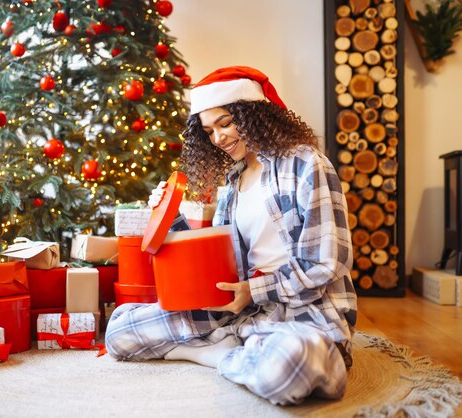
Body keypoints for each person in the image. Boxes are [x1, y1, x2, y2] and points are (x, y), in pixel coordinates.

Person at [105, 66, 357, 405]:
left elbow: (325, 262)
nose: (219, 138)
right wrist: (170, 219)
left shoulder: (306, 164)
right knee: (119, 333)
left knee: (289, 366)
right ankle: (239, 349)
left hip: (301, 312)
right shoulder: (233, 184)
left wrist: (253, 291)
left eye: (225, 123)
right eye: (209, 131)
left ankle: (216, 354)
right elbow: (218, 260)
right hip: (239, 311)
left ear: (254, 115)